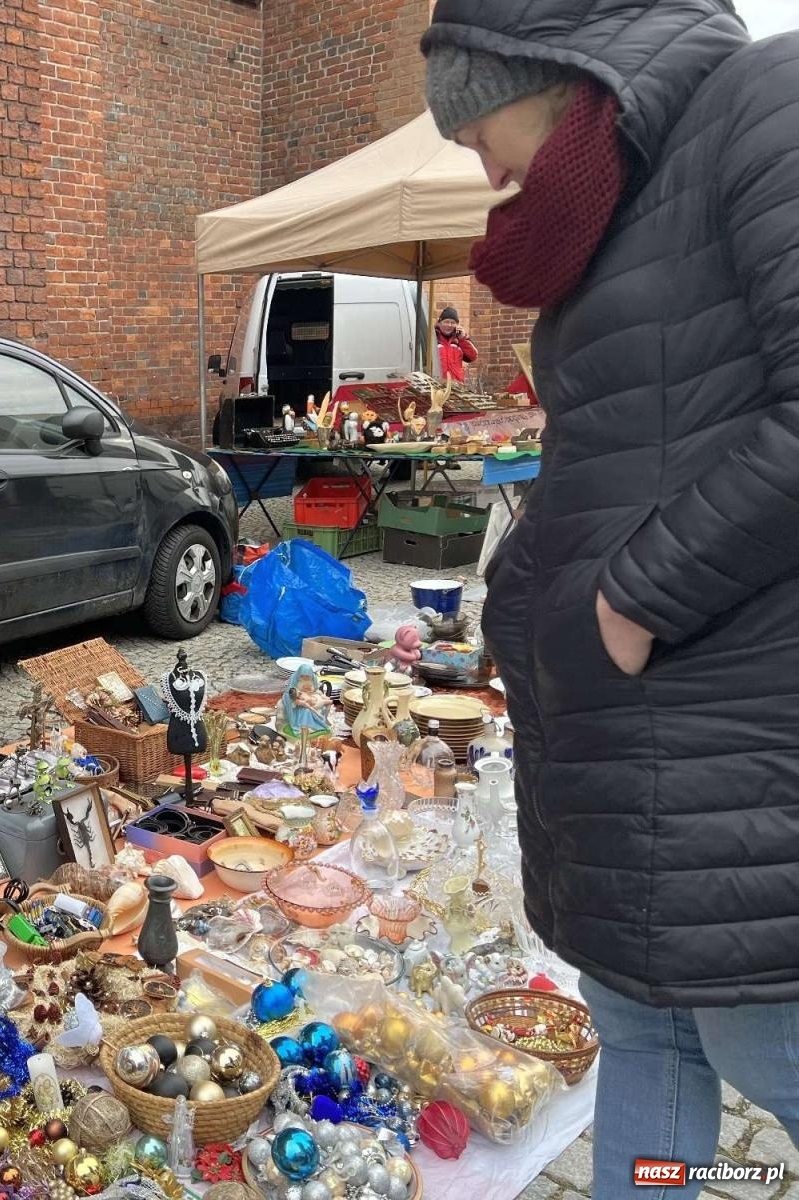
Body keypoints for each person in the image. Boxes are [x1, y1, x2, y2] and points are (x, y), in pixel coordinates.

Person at [422, 2, 799, 1192]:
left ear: (544, 74)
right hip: (620, 748)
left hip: (724, 743)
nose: (481, 170)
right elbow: (624, 449)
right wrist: (526, 594)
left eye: (473, 131)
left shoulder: (766, 101)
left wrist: (631, 600)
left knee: (761, 1045)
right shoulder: (617, 206)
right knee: (642, 1037)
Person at [432, 306, 478, 384]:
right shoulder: (433, 338)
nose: (449, 325)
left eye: (453, 323)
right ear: (439, 323)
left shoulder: (459, 341)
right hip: (437, 384)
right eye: (446, 322)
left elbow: (472, 357)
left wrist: (463, 339)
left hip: (457, 385)